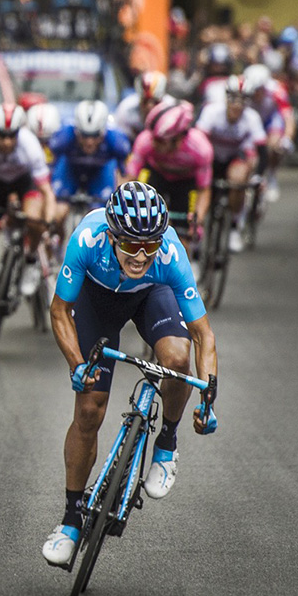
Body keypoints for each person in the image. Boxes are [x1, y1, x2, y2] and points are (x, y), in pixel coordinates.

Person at [42, 182, 219, 567]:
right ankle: (71, 520)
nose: (140, 255)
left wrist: (209, 394)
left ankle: (167, 442)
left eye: (150, 245)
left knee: (176, 357)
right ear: (110, 235)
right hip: (97, 300)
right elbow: (59, 311)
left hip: (150, 296)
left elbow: (203, 333)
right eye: (130, 245)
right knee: (89, 411)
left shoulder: (170, 253)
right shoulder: (87, 239)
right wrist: (77, 363)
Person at [0, 104, 57, 336]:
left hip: (25, 184)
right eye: (1, 136)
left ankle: (30, 260)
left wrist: (47, 221)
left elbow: (47, 192)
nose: (6, 142)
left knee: (34, 219)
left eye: (11, 136)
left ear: (19, 132)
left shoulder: (30, 146)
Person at [125, 100, 214, 247]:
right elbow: (129, 179)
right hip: (158, 177)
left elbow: (204, 190)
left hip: (185, 183)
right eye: (153, 138)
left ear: (178, 138)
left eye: (160, 141)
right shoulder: (145, 140)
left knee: (182, 238)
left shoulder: (200, 148)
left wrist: (197, 219)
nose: (153, 143)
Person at [194, 76, 267, 253]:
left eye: (242, 100)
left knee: (239, 179)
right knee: (200, 189)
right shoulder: (211, 112)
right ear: (226, 98)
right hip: (210, 157)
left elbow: (262, 150)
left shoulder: (252, 118)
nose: (236, 105)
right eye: (233, 99)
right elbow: (197, 141)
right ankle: (196, 244)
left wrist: (257, 175)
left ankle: (234, 226)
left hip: (235, 158)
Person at [47, 100, 131, 223]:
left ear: (103, 132)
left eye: (95, 135)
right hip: (70, 169)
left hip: (101, 171)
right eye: (84, 135)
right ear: (76, 131)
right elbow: (51, 165)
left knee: (99, 215)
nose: (89, 142)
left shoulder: (117, 142)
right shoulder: (62, 138)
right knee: (59, 211)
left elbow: (124, 172)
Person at [235, 63, 295, 201]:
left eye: (259, 90)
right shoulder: (241, 85)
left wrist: (287, 138)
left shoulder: (276, 90)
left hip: (270, 119)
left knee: (274, 144)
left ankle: (272, 175)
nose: (256, 94)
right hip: (250, 120)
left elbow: (288, 118)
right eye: (253, 90)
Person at [114, 70, 167, 140]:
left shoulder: (172, 109)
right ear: (139, 99)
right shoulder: (126, 109)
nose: (149, 107)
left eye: (155, 102)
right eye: (145, 101)